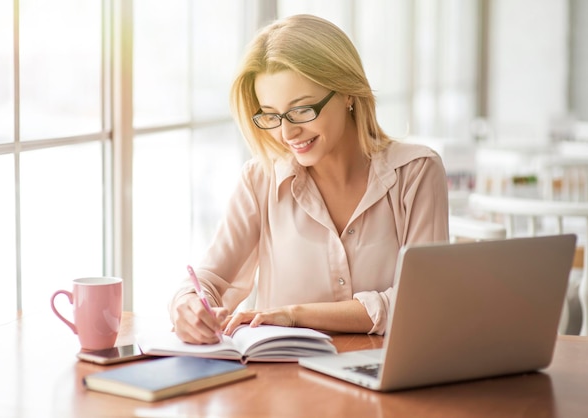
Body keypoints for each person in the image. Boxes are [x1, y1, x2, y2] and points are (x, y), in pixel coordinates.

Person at [169, 14, 449, 344]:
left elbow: (422, 302)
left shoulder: (416, 173)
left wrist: (294, 314)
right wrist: (185, 304)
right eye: (271, 115)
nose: (286, 133)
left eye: (302, 110)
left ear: (347, 93)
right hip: (286, 386)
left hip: (387, 383)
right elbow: (210, 278)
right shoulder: (260, 181)